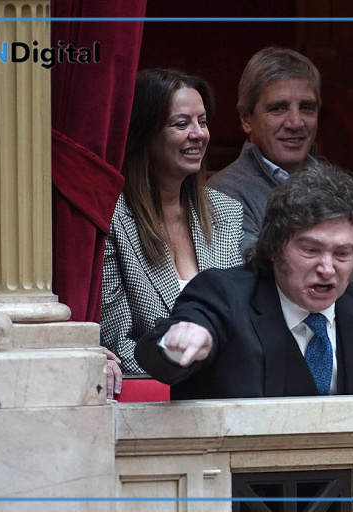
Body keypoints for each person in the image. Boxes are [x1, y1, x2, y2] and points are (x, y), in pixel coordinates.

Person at [136, 165, 353, 413]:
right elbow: (156, 358)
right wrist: (175, 345)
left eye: (342, 254)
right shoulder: (224, 295)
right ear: (275, 248)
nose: (327, 268)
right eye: (310, 250)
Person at [206, 46, 353, 302]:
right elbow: (255, 281)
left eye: (306, 108)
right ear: (246, 119)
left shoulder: (341, 187)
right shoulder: (223, 193)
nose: (295, 122)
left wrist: (297, 268)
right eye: (278, 108)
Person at [101, 68, 244, 375]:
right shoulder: (112, 218)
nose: (199, 134)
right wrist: (197, 366)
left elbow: (242, 324)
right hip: (150, 394)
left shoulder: (226, 212)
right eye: (181, 124)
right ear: (145, 134)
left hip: (225, 392)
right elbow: (117, 343)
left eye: (202, 121)